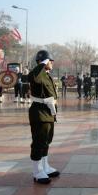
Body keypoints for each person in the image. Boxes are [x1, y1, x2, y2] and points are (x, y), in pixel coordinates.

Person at [28, 50, 60, 184]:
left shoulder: (47, 75)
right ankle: (37, 171)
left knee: (47, 141)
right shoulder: (38, 74)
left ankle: (45, 167)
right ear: (43, 62)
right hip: (39, 113)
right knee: (38, 142)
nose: (52, 62)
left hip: (48, 112)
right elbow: (33, 76)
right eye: (49, 60)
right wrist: (43, 63)